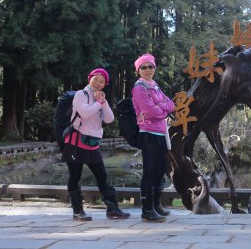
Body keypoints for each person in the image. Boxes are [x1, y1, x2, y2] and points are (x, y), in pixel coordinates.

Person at [62, 68, 130, 221]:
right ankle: (77, 211)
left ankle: (113, 209)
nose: (98, 83)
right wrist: (98, 103)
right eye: (96, 79)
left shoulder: (100, 98)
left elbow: (109, 119)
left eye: (102, 81)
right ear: (89, 79)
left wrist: (103, 102)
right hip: (75, 142)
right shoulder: (81, 94)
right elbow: (85, 113)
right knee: (75, 176)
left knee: (102, 176)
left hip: (92, 143)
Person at [132, 53, 175, 222]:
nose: (148, 70)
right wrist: (161, 108)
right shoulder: (139, 88)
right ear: (138, 70)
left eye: (150, 66)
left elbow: (171, 105)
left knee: (159, 170)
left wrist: (161, 107)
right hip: (148, 133)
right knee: (149, 172)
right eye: (144, 67)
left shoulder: (155, 87)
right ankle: (147, 210)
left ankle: (156, 205)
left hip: (160, 133)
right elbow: (150, 111)